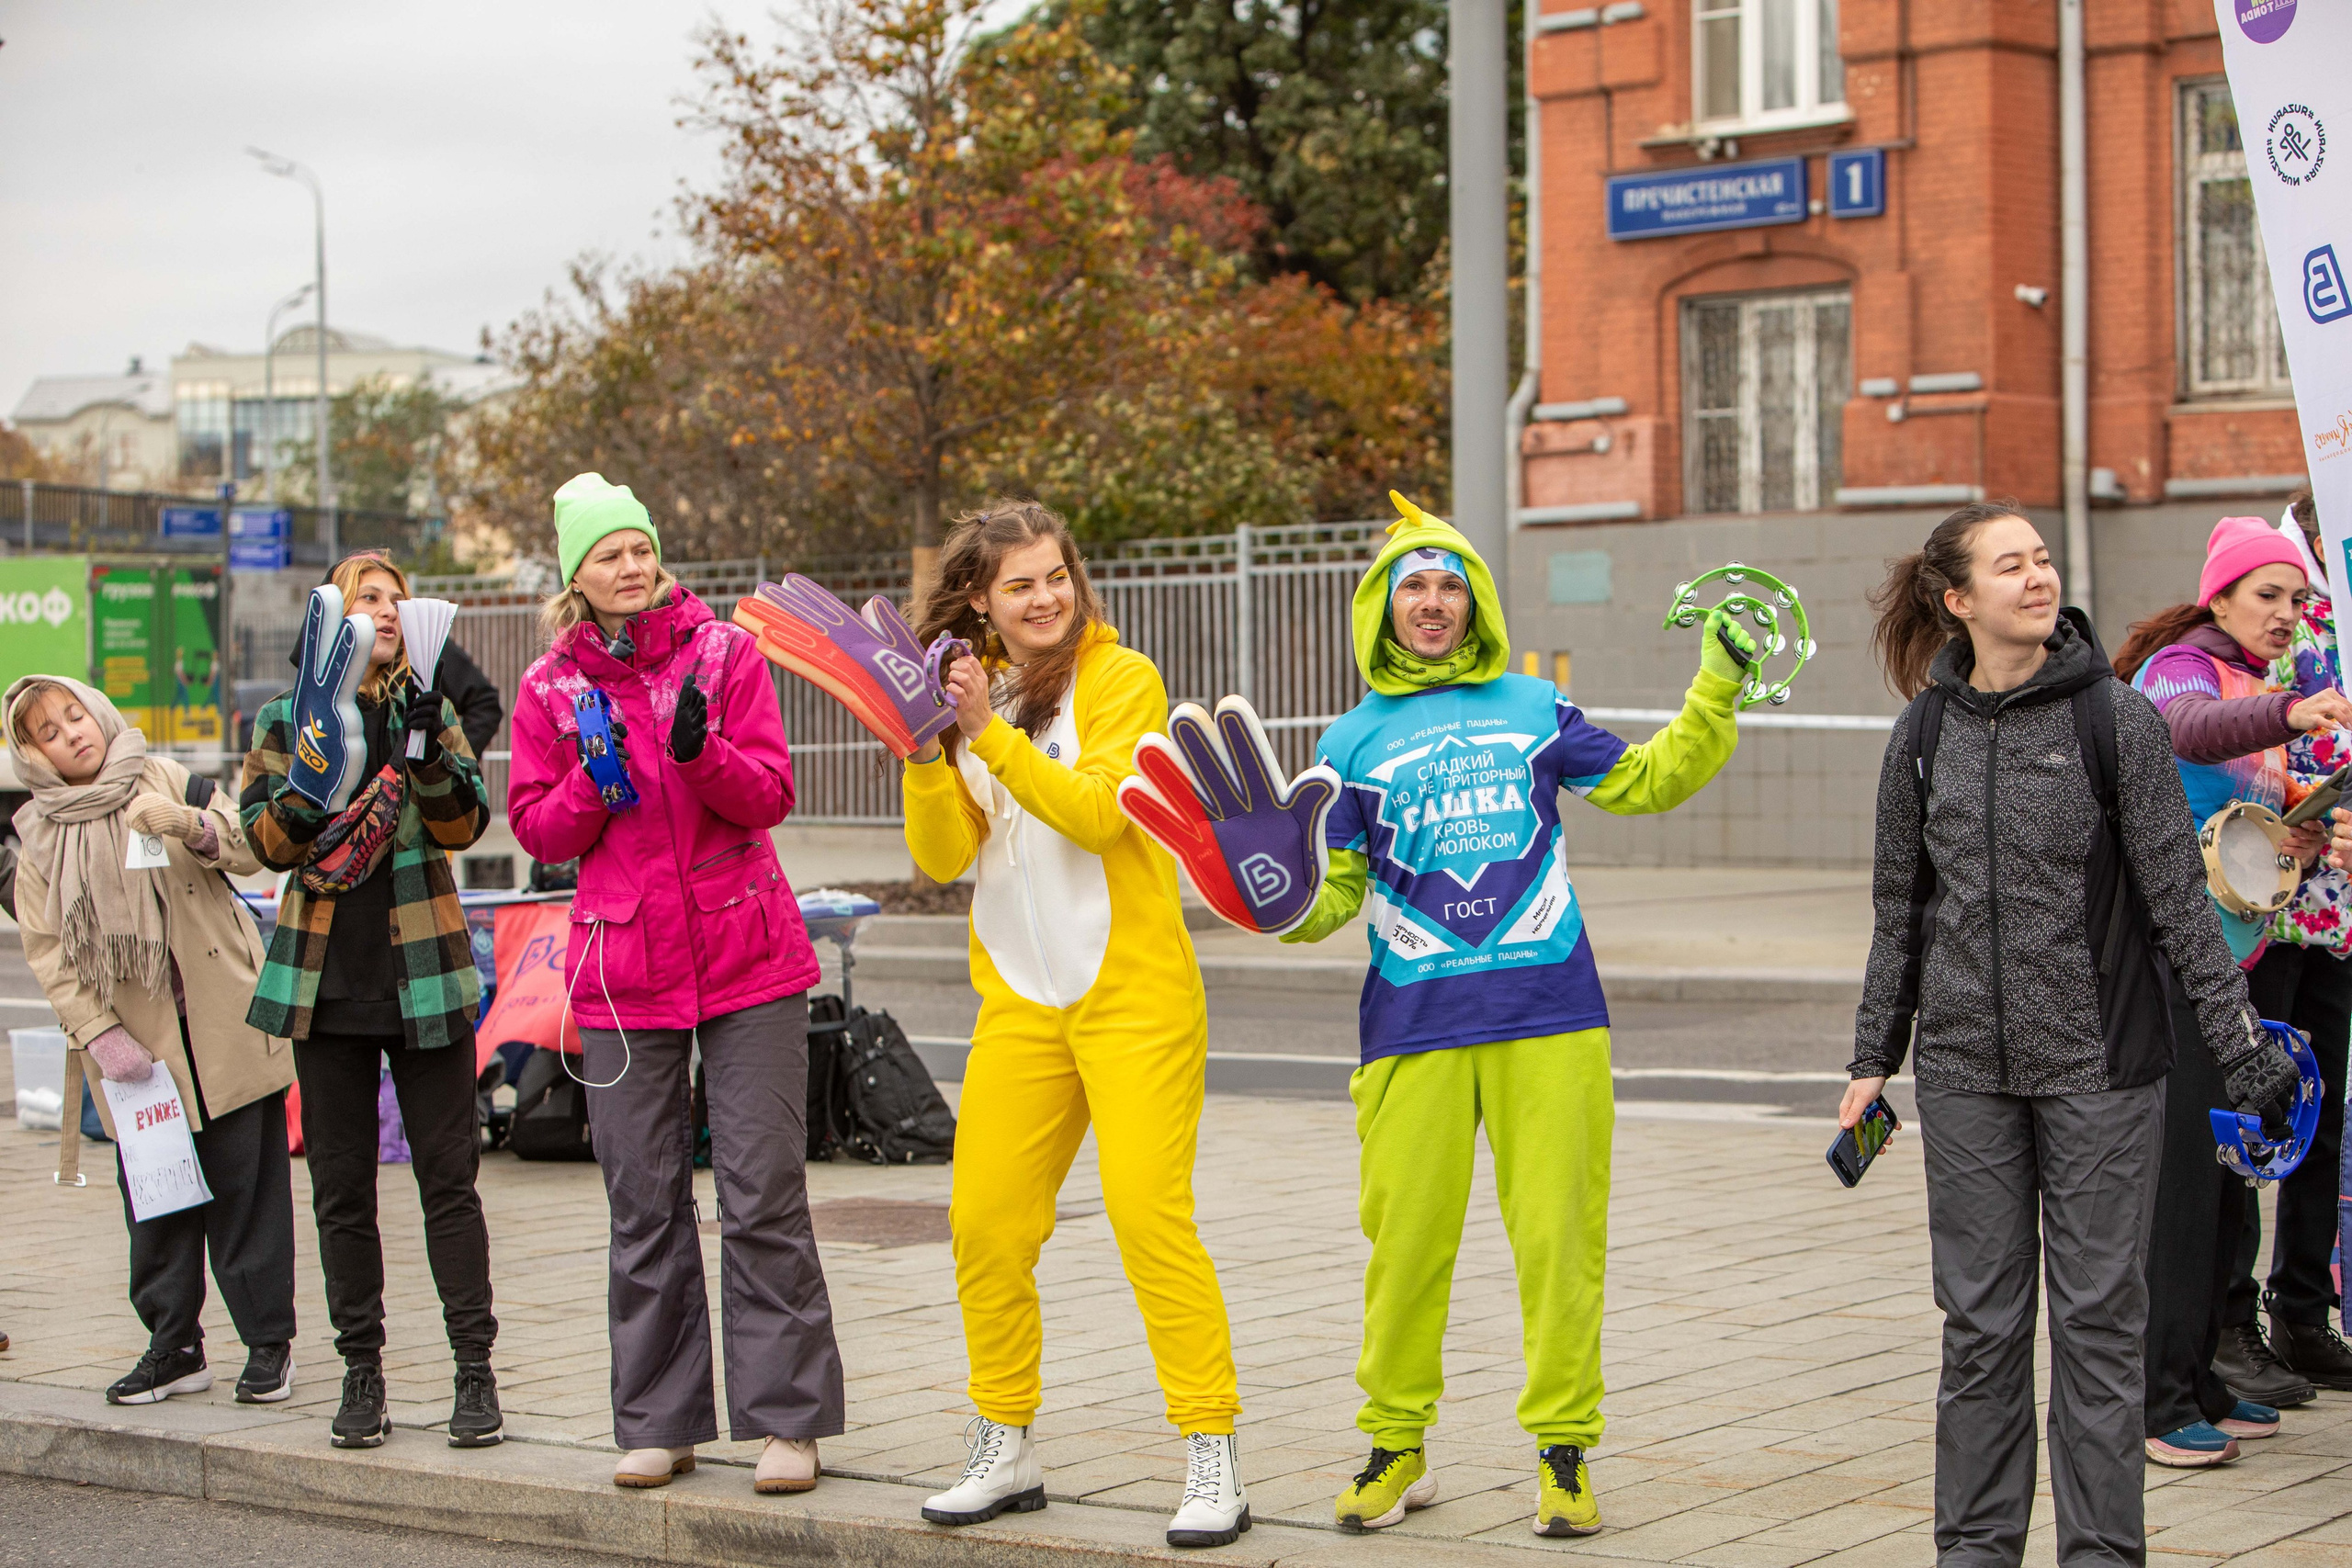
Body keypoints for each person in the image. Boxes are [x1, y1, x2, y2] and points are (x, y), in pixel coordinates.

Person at [1270, 492, 1742, 1540]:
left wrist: (1714, 687)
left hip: (1550, 1012)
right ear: (1381, 610)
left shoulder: (1535, 707)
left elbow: (1648, 782)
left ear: (1475, 600)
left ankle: (1565, 1456)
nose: (1432, 603)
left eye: (1449, 584)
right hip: (1411, 1026)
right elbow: (1334, 896)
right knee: (1404, 1252)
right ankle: (1396, 1444)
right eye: (1413, 587)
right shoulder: (1345, 741)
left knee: (1560, 1245)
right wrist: (1273, 895)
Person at [1852, 503, 2294, 1562]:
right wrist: (1873, 1060)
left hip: (2102, 1070)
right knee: (1981, 1332)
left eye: (2042, 558)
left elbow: (2177, 904)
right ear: (1958, 601)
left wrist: (2237, 1045)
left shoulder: (2114, 719)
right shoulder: (1921, 735)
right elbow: (1899, 910)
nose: (2037, 577)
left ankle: (2100, 1554)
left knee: (2098, 1332)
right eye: (2010, 566)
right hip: (1963, 1075)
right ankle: (1974, 1552)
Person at [901, 500, 1246, 1550]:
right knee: (986, 1229)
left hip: (1134, 998)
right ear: (978, 600)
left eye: (1056, 576)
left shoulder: (1121, 676)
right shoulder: (970, 693)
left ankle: (1211, 1451)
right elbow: (942, 857)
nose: (1046, 597)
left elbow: (1101, 813)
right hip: (1018, 1003)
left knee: (1150, 1221)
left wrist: (985, 736)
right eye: (1020, 585)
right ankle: (1004, 1440)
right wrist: (926, 750)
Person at [507, 472, 843, 1495]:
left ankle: (787, 1424)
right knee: (642, 1201)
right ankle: (661, 1422)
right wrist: (586, 785)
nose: (628, 566)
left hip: (748, 960)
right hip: (623, 976)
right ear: (577, 573)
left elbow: (770, 795)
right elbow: (534, 828)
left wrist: (700, 754)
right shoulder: (549, 691)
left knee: (762, 1192)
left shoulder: (723, 655)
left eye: (638, 548)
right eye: (606, 554)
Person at [240, 551, 503, 1451]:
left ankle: (476, 1373)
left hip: (424, 975)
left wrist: (429, 754)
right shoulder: (286, 719)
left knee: (450, 1185)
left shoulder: (420, 707)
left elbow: (464, 827)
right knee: (341, 1193)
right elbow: (265, 843)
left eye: (396, 597)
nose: (387, 609)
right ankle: (362, 1374)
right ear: (335, 614)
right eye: (368, 596)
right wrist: (312, 782)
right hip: (324, 985)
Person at [2114, 513, 2352, 1459]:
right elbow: (2185, 732)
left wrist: (2300, 827)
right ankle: (2152, 1402)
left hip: (2229, 967)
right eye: (2269, 595)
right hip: (2166, 965)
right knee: (2179, 1188)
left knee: (2223, 1183)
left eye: (2298, 598)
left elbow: (2232, 807)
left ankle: (2201, 1375)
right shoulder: (2182, 667)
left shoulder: (2255, 677)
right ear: (2219, 597)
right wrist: (2287, 716)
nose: (2289, 614)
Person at [9, 675, 298, 1407]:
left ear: (100, 712)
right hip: (136, 1049)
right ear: (33, 755)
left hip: (225, 1021)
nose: (73, 733)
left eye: (77, 715)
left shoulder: (166, 774)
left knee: (247, 1192)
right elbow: (48, 949)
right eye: (50, 731)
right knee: (158, 1202)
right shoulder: (39, 833)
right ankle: (173, 1346)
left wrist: (189, 823)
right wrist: (99, 1034)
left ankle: (269, 1344)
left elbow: (250, 851)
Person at [2223, 495, 2352, 1397]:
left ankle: (2303, 1311)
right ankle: (2227, 1321)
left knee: (2323, 1112)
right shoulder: (2266, 598)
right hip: (2261, 908)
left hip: (2339, 911)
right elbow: (2223, 727)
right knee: (2249, 1118)